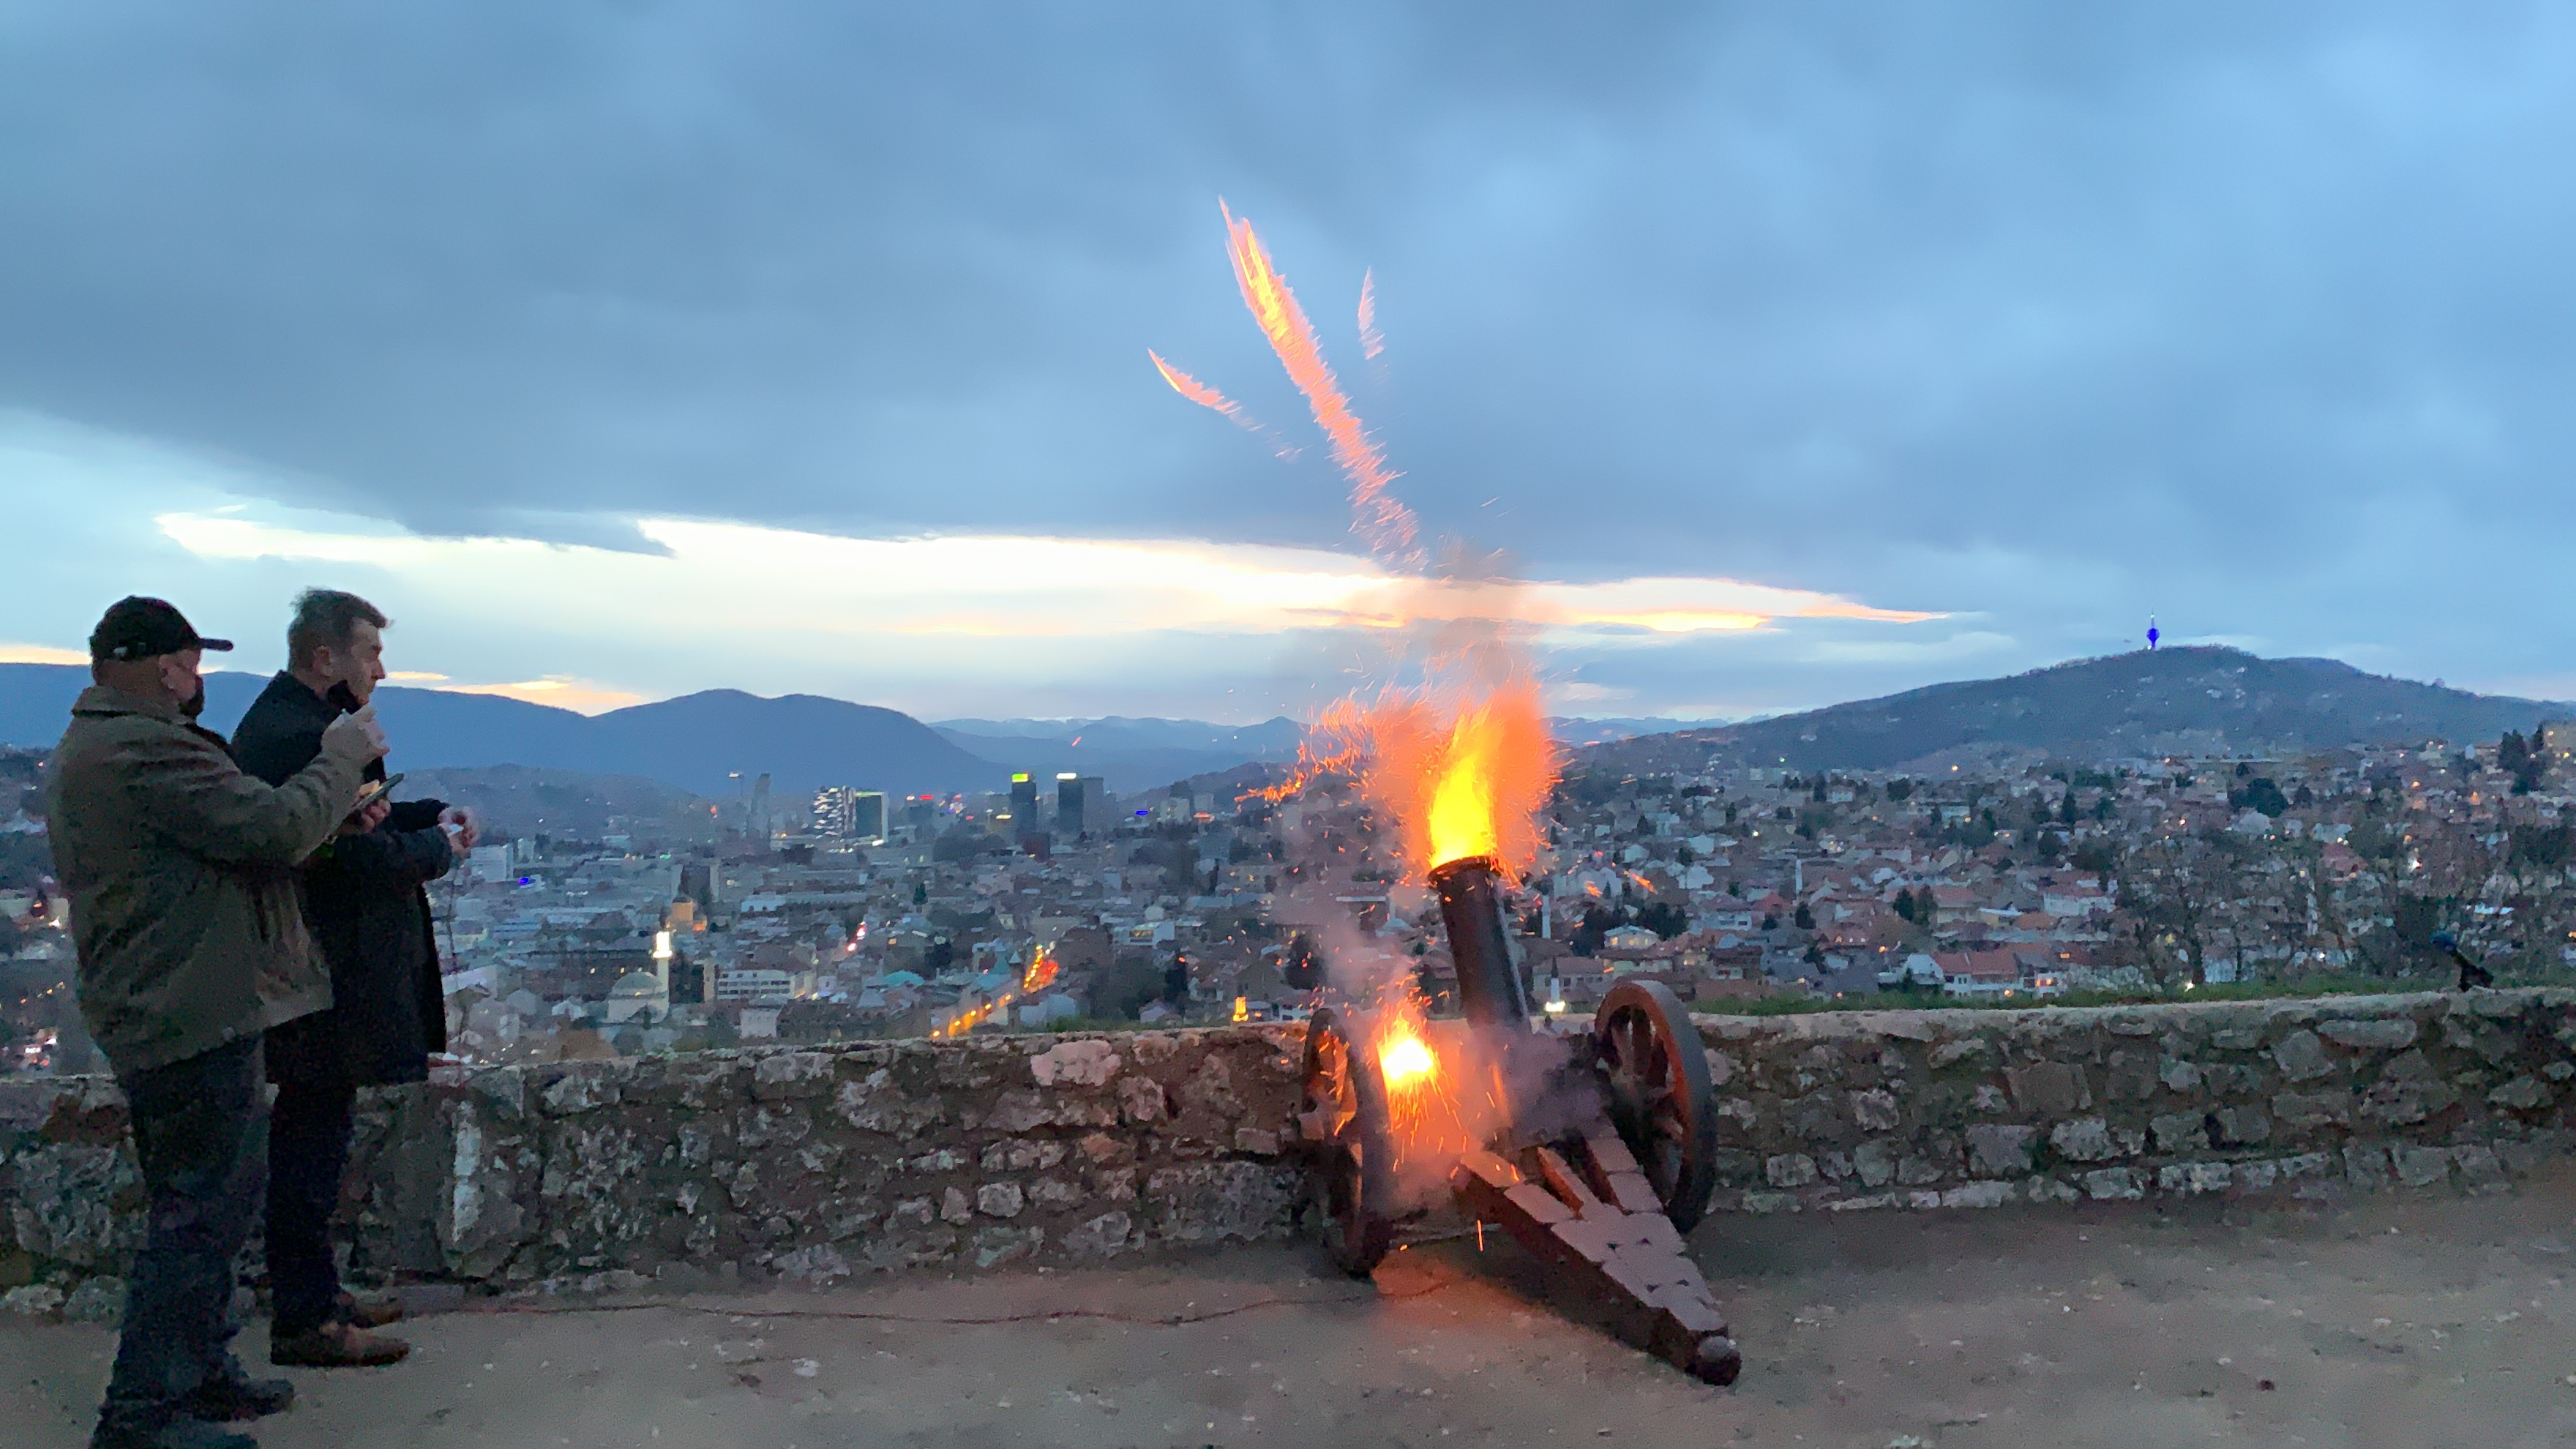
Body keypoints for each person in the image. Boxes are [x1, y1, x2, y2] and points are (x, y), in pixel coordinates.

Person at [46, 597, 386, 1449]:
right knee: (196, 1216)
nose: (199, 679)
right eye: (193, 664)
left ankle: (199, 1375)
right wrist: (339, 762)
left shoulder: (112, 745)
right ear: (166, 668)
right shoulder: (142, 751)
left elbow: (231, 841)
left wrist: (330, 814)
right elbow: (269, 829)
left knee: (213, 1207)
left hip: (182, 1000)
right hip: (185, 1007)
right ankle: (144, 1416)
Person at [228, 590, 476, 1369]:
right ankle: (306, 1315)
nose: (380, 667)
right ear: (324, 656)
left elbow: (361, 820)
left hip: (313, 970)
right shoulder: (307, 737)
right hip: (316, 972)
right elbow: (350, 858)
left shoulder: (296, 727)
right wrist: (440, 850)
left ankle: (315, 1295)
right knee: (309, 1141)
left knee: (316, 1135)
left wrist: (424, 813)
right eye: (369, 652)